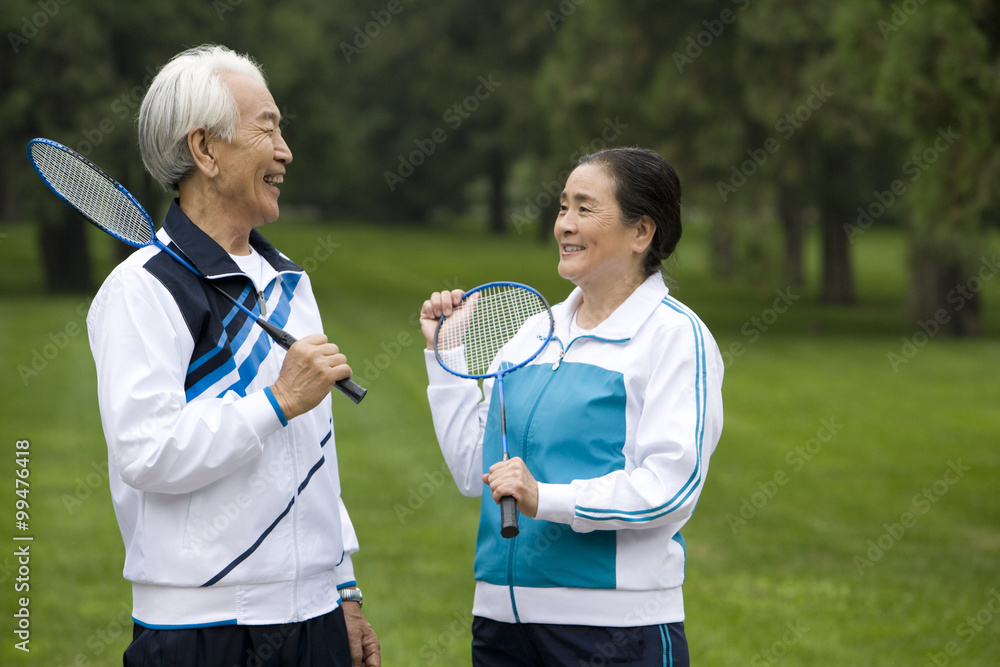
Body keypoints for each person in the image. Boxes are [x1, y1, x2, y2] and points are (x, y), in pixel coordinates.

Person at [86, 45, 380, 667]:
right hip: (204, 627)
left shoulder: (289, 281)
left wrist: (343, 587)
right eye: (267, 128)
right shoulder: (142, 288)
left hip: (315, 617)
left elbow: (314, 455)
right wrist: (277, 401)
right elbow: (147, 451)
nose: (285, 151)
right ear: (205, 150)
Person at [419, 147, 724, 666]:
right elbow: (477, 471)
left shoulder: (675, 336)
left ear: (641, 233)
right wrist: (444, 353)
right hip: (501, 625)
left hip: (612, 633)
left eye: (585, 208)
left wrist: (547, 498)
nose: (564, 224)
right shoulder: (531, 335)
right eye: (563, 207)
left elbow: (669, 489)